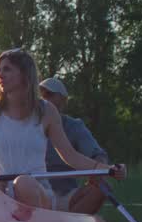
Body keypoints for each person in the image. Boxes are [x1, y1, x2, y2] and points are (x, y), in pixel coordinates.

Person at [0, 48, 124, 210]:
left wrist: (107, 170)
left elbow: (70, 155)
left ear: (25, 74)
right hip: (1, 190)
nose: (0, 75)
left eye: (7, 69)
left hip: (37, 191)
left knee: (23, 183)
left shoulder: (47, 111)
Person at [38, 77, 111, 214]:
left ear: (63, 100)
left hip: (65, 194)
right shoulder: (27, 124)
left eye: (49, 95)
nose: (43, 99)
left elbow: (98, 155)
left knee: (101, 187)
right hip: (34, 192)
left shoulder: (74, 126)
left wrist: (99, 170)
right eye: (40, 95)